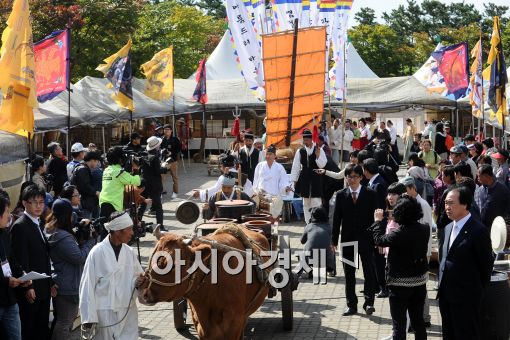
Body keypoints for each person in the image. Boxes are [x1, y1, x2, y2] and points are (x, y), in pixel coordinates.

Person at [438, 186, 494, 340]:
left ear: (465, 204)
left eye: (451, 203)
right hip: (446, 296)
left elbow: (486, 266)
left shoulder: (478, 231)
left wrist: (475, 292)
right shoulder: (448, 227)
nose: (447, 207)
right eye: (445, 203)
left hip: (466, 298)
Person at [371, 196, 429, 340]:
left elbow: (379, 240)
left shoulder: (398, 233)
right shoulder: (425, 229)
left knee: (399, 325)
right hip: (419, 283)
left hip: (399, 285)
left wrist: (378, 221)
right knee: (418, 323)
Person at [79, 212, 145, 340]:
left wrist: (138, 282)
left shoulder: (129, 252)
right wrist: (89, 317)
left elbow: (136, 278)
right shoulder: (97, 252)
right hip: (104, 311)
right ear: (118, 231)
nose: (132, 233)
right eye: (129, 229)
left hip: (127, 309)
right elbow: (87, 285)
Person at [9, 185, 57, 340]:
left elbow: (43, 257)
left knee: (42, 328)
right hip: (30, 290)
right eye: (34, 202)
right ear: (24, 203)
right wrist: (28, 286)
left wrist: (50, 282)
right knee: (30, 330)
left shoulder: (38, 223)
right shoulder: (20, 226)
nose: (38, 206)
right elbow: (20, 261)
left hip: (43, 287)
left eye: (41, 202)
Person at [45, 199, 96, 340]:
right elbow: (79, 257)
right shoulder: (63, 237)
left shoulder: (51, 229)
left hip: (61, 281)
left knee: (61, 320)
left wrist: (80, 226)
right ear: (66, 216)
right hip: (68, 286)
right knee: (65, 322)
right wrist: (90, 241)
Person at [332, 164, 377, 316]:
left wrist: (377, 238)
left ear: (361, 177)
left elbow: (375, 218)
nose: (351, 180)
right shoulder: (340, 194)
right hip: (348, 240)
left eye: (355, 177)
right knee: (349, 275)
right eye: (349, 177)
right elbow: (337, 219)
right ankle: (351, 305)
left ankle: (369, 302)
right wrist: (333, 240)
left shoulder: (370, 193)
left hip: (366, 240)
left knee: (369, 273)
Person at [399, 176, 433, 326]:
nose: (403, 194)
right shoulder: (413, 203)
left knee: (422, 285)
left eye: (405, 191)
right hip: (417, 251)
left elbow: (424, 230)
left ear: (413, 188)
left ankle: (424, 317)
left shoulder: (422, 204)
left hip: (422, 251)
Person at [0, 189, 31, 340]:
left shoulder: (5, 234)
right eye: (6, 211)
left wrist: (22, 275)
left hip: (10, 300)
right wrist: (7, 280)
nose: (9, 216)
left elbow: (12, 260)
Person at [363, 158, 388, 298]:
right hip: (373, 227)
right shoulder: (374, 182)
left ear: (366, 171)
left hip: (378, 227)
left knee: (379, 260)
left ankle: (383, 287)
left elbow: (379, 210)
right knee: (373, 259)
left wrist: (379, 229)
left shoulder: (378, 185)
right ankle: (374, 285)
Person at [291, 129, 327, 223]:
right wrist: (294, 181)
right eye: (304, 140)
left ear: (312, 139)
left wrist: (318, 156)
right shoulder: (300, 151)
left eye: (307, 140)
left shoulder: (319, 149)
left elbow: (322, 165)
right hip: (305, 179)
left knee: (316, 202)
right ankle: (308, 224)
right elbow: (295, 167)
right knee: (306, 203)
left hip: (316, 178)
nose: (305, 142)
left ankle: (317, 222)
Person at [99, 146, 141, 220]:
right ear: (120, 159)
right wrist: (136, 170)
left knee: (105, 228)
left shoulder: (107, 170)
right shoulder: (119, 173)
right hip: (114, 205)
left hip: (103, 203)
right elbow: (137, 182)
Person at [138, 136, 171, 227]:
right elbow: (158, 171)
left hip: (144, 183)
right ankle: (160, 226)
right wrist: (165, 168)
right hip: (154, 185)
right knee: (158, 206)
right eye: (158, 146)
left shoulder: (144, 155)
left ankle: (136, 223)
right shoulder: (155, 158)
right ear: (156, 147)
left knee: (142, 204)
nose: (159, 147)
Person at [252, 145, 291, 218]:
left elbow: (284, 181)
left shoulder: (279, 167)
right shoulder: (259, 165)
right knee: (255, 203)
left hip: (274, 195)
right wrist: (255, 191)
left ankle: (274, 224)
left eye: (270, 154)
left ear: (275, 156)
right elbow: (255, 181)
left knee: (277, 205)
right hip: (261, 194)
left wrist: (286, 187)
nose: (268, 156)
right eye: (267, 154)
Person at [300, 206, 336, 277]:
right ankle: (330, 270)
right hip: (326, 260)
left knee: (305, 248)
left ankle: (306, 270)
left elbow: (302, 241)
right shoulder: (329, 227)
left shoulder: (309, 226)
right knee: (332, 247)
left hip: (311, 259)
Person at [475, 164, 510, 229]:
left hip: (497, 228)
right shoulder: (480, 190)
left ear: (486, 176)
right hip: (482, 227)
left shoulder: (503, 190)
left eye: (479, 176)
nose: (477, 179)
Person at [71, 151, 101, 219]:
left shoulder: (82, 167)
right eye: (97, 161)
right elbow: (84, 186)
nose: (97, 164)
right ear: (92, 160)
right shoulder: (83, 169)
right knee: (86, 223)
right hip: (84, 203)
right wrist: (96, 192)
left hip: (83, 202)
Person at [160, 124, 182, 198]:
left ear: (171, 131)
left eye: (167, 130)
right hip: (164, 161)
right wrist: (162, 152)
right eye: (165, 130)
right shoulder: (162, 139)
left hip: (173, 160)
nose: (166, 131)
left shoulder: (175, 139)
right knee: (161, 177)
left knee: (174, 177)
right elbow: (160, 148)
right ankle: (160, 192)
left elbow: (179, 148)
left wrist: (171, 152)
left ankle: (175, 192)